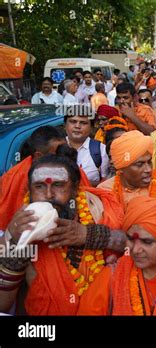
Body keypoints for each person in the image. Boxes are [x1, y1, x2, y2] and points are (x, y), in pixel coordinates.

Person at [0, 154, 124, 315]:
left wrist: (89, 235)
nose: (49, 195)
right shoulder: (21, 226)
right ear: (29, 192)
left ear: (75, 189)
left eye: (58, 185)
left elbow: (134, 248)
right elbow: (2, 304)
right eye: (39, 186)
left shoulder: (99, 209)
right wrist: (16, 244)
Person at [0, 126, 73, 230]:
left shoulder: (68, 166)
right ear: (39, 156)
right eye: (57, 153)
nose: (62, 157)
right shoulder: (18, 177)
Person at [98, 130, 156, 211]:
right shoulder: (105, 190)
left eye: (149, 162)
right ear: (121, 167)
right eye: (139, 164)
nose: (148, 169)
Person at [65, 108, 109, 187]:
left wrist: (83, 185)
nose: (77, 126)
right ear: (65, 125)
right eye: (73, 122)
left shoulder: (101, 150)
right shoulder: (55, 147)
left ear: (91, 127)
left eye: (83, 123)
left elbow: (105, 183)